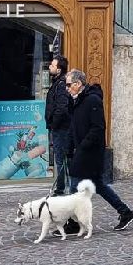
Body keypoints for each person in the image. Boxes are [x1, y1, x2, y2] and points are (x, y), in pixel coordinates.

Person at [65, 68, 133, 231]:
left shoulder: (92, 100)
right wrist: (68, 147)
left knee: (75, 185)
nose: (67, 88)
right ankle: (125, 212)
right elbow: (73, 127)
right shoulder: (76, 101)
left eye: (69, 85)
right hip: (82, 151)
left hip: (91, 153)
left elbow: (98, 128)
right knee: (98, 185)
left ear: (78, 83)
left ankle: (74, 223)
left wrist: (83, 146)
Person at [44, 55, 73, 196]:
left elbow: (61, 108)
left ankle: (63, 188)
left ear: (59, 70)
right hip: (58, 127)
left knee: (61, 159)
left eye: (52, 65)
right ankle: (64, 187)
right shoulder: (58, 83)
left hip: (61, 128)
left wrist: (54, 124)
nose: (50, 67)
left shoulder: (61, 85)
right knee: (61, 158)